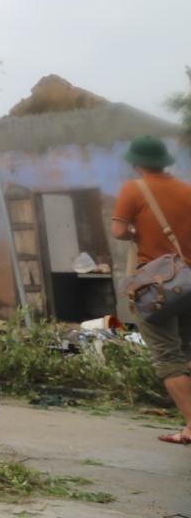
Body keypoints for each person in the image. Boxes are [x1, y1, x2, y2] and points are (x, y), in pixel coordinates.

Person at [110, 133, 191, 444]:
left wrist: (136, 231)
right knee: (188, 352)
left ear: (136, 163)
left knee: (167, 356)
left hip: (158, 287)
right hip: (189, 280)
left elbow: (118, 230)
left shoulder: (134, 188)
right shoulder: (186, 190)